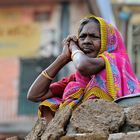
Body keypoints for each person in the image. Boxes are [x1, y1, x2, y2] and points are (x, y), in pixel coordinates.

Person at [27, 15, 140, 125]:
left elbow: (83, 65)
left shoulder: (116, 61)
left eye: (94, 36)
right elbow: (34, 95)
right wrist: (63, 58)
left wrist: (74, 48)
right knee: (51, 102)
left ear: (108, 41)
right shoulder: (77, 79)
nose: (86, 41)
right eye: (82, 37)